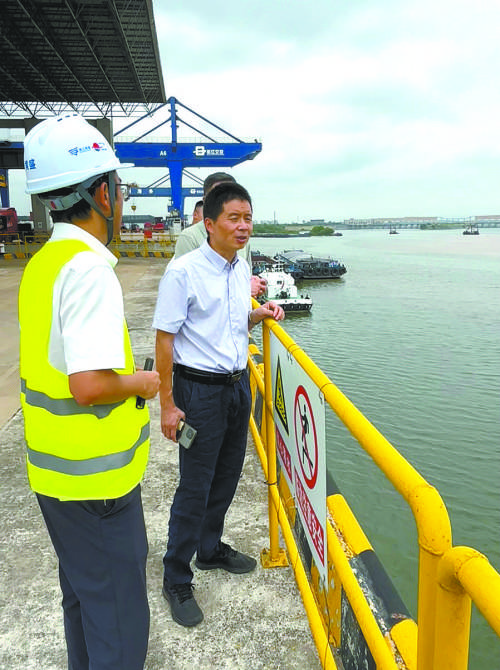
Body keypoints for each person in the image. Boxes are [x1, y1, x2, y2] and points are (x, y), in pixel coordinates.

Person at [18, 113, 160, 670]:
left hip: (55, 476)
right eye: (119, 188)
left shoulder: (44, 264)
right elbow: (89, 385)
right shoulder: (88, 270)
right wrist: (142, 382)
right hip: (97, 486)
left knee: (84, 600)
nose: (121, 200)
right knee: (119, 625)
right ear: (102, 194)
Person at [153, 182, 284, 628]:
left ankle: (208, 549)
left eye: (248, 218)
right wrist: (168, 405)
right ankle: (176, 576)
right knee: (195, 485)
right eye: (234, 218)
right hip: (199, 391)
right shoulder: (184, 272)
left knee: (227, 475)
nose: (243, 226)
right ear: (209, 224)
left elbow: (227, 323)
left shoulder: (240, 266)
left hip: (237, 385)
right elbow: (165, 340)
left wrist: (257, 315)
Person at [173, 172, 267, 298]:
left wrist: (257, 307)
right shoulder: (189, 237)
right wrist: (243, 289)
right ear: (205, 201)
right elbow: (185, 290)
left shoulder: (241, 239)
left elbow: (245, 284)